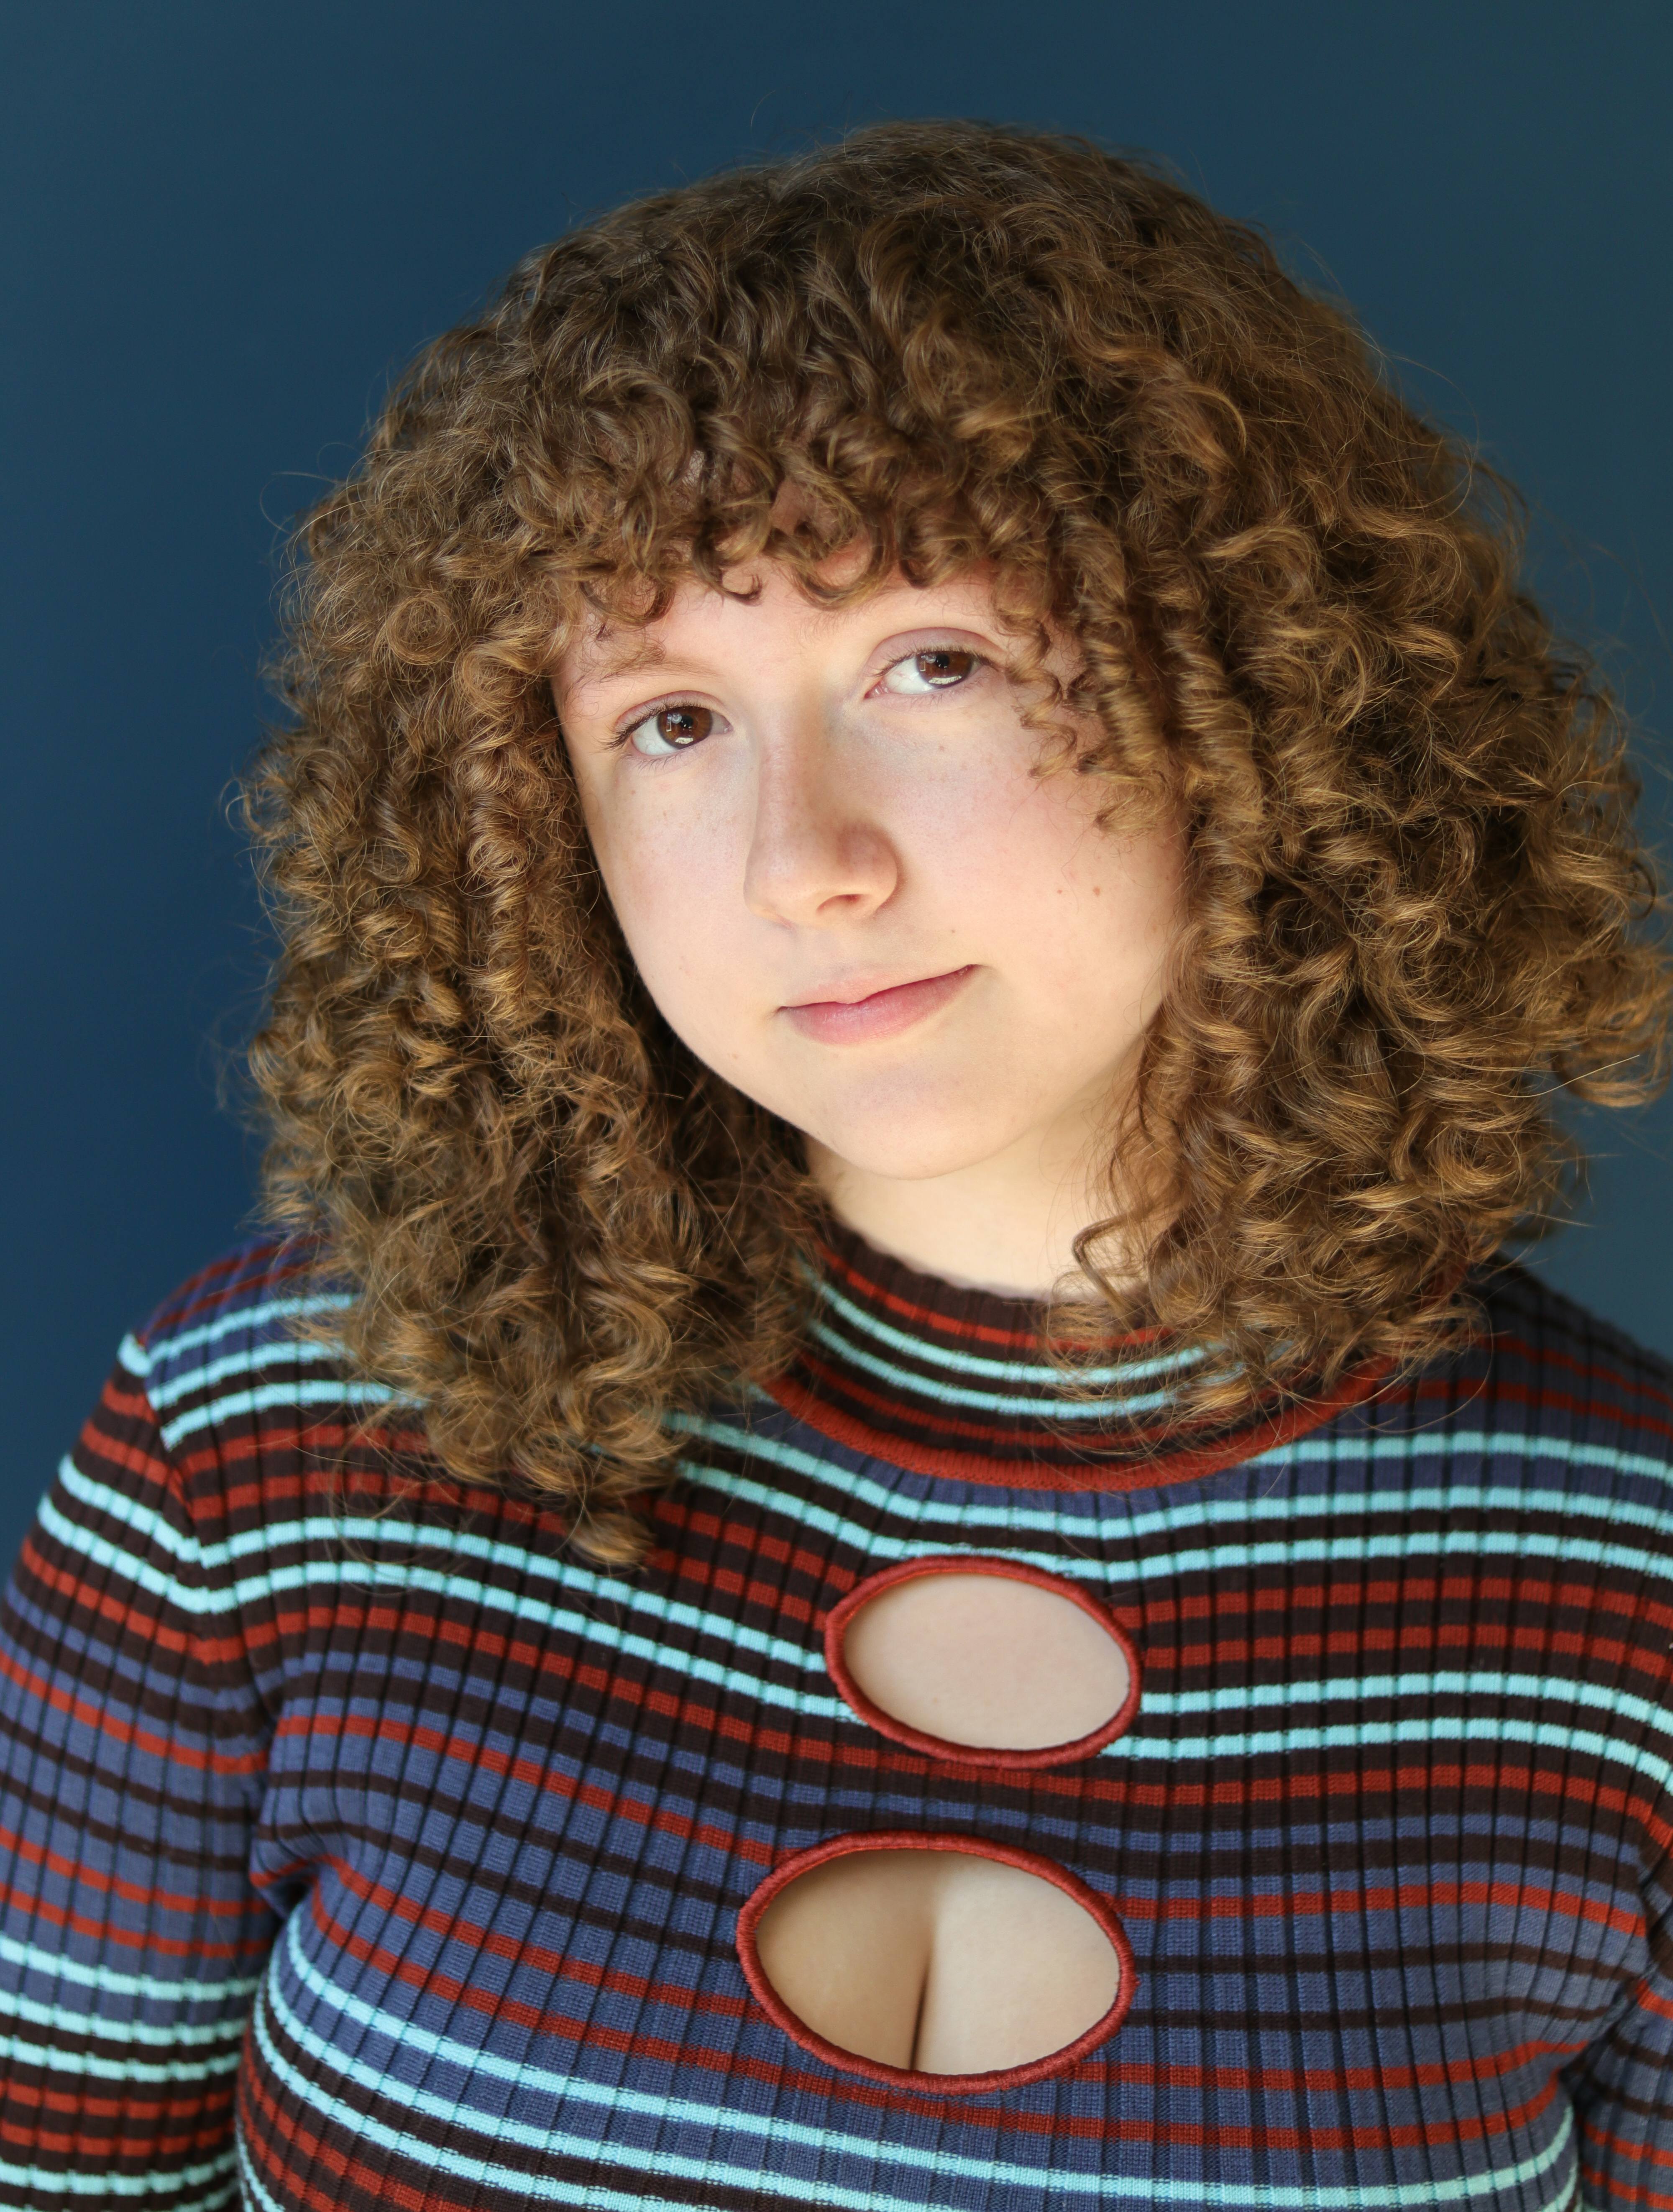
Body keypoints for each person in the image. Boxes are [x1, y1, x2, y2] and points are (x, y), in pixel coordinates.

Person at [0, 118, 1669, 2212]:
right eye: (673, 722)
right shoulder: (259, 1440)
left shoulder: (1628, 1592)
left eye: (932, 665)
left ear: (1257, 685)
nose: (804, 863)